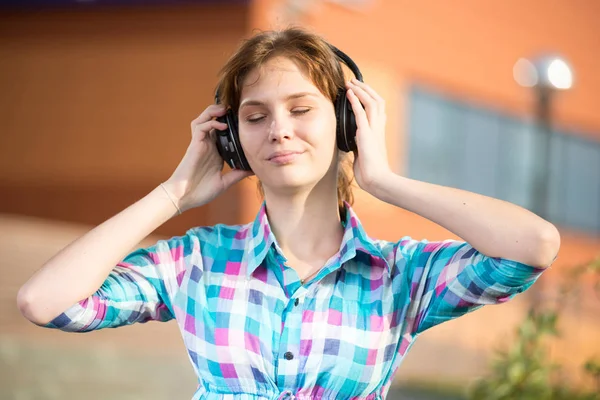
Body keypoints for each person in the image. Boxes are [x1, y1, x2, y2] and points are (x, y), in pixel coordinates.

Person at [17, 27, 560, 400]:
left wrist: (385, 183)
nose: (279, 129)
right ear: (232, 139)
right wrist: (175, 192)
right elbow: (44, 302)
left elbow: (532, 245)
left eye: (301, 109)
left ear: (348, 123)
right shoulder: (196, 262)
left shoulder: (402, 274)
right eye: (255, 116)